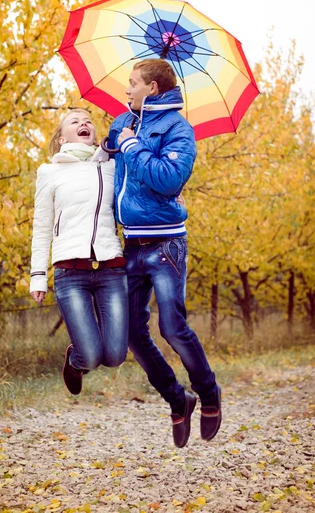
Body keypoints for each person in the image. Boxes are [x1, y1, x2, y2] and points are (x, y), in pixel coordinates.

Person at [108, 59, 222, 448]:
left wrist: (130, 145)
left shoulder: (179, 129)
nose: (126, 89)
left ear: (152, 88)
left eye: (132, 83)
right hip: (130, 245)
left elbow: (167, 180)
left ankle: (208, 392)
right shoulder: (124, 123)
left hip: (166, 244)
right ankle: (178, 399)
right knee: (129, 334)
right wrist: (115, 139)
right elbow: (107, 161)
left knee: (171, 327)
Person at [30, 108, 129, 395]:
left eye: (87, 120)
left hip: (111, 268)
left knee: (115, 356)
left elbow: (137, 191)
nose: (83, 123)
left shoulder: (111, 166)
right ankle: (76, 360)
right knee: (91, 356)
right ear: (62, 138)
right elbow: (42, 227)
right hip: (70, 272)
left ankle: (85, 353)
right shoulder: (50, 172)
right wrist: (38, 276)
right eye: (75, 121)